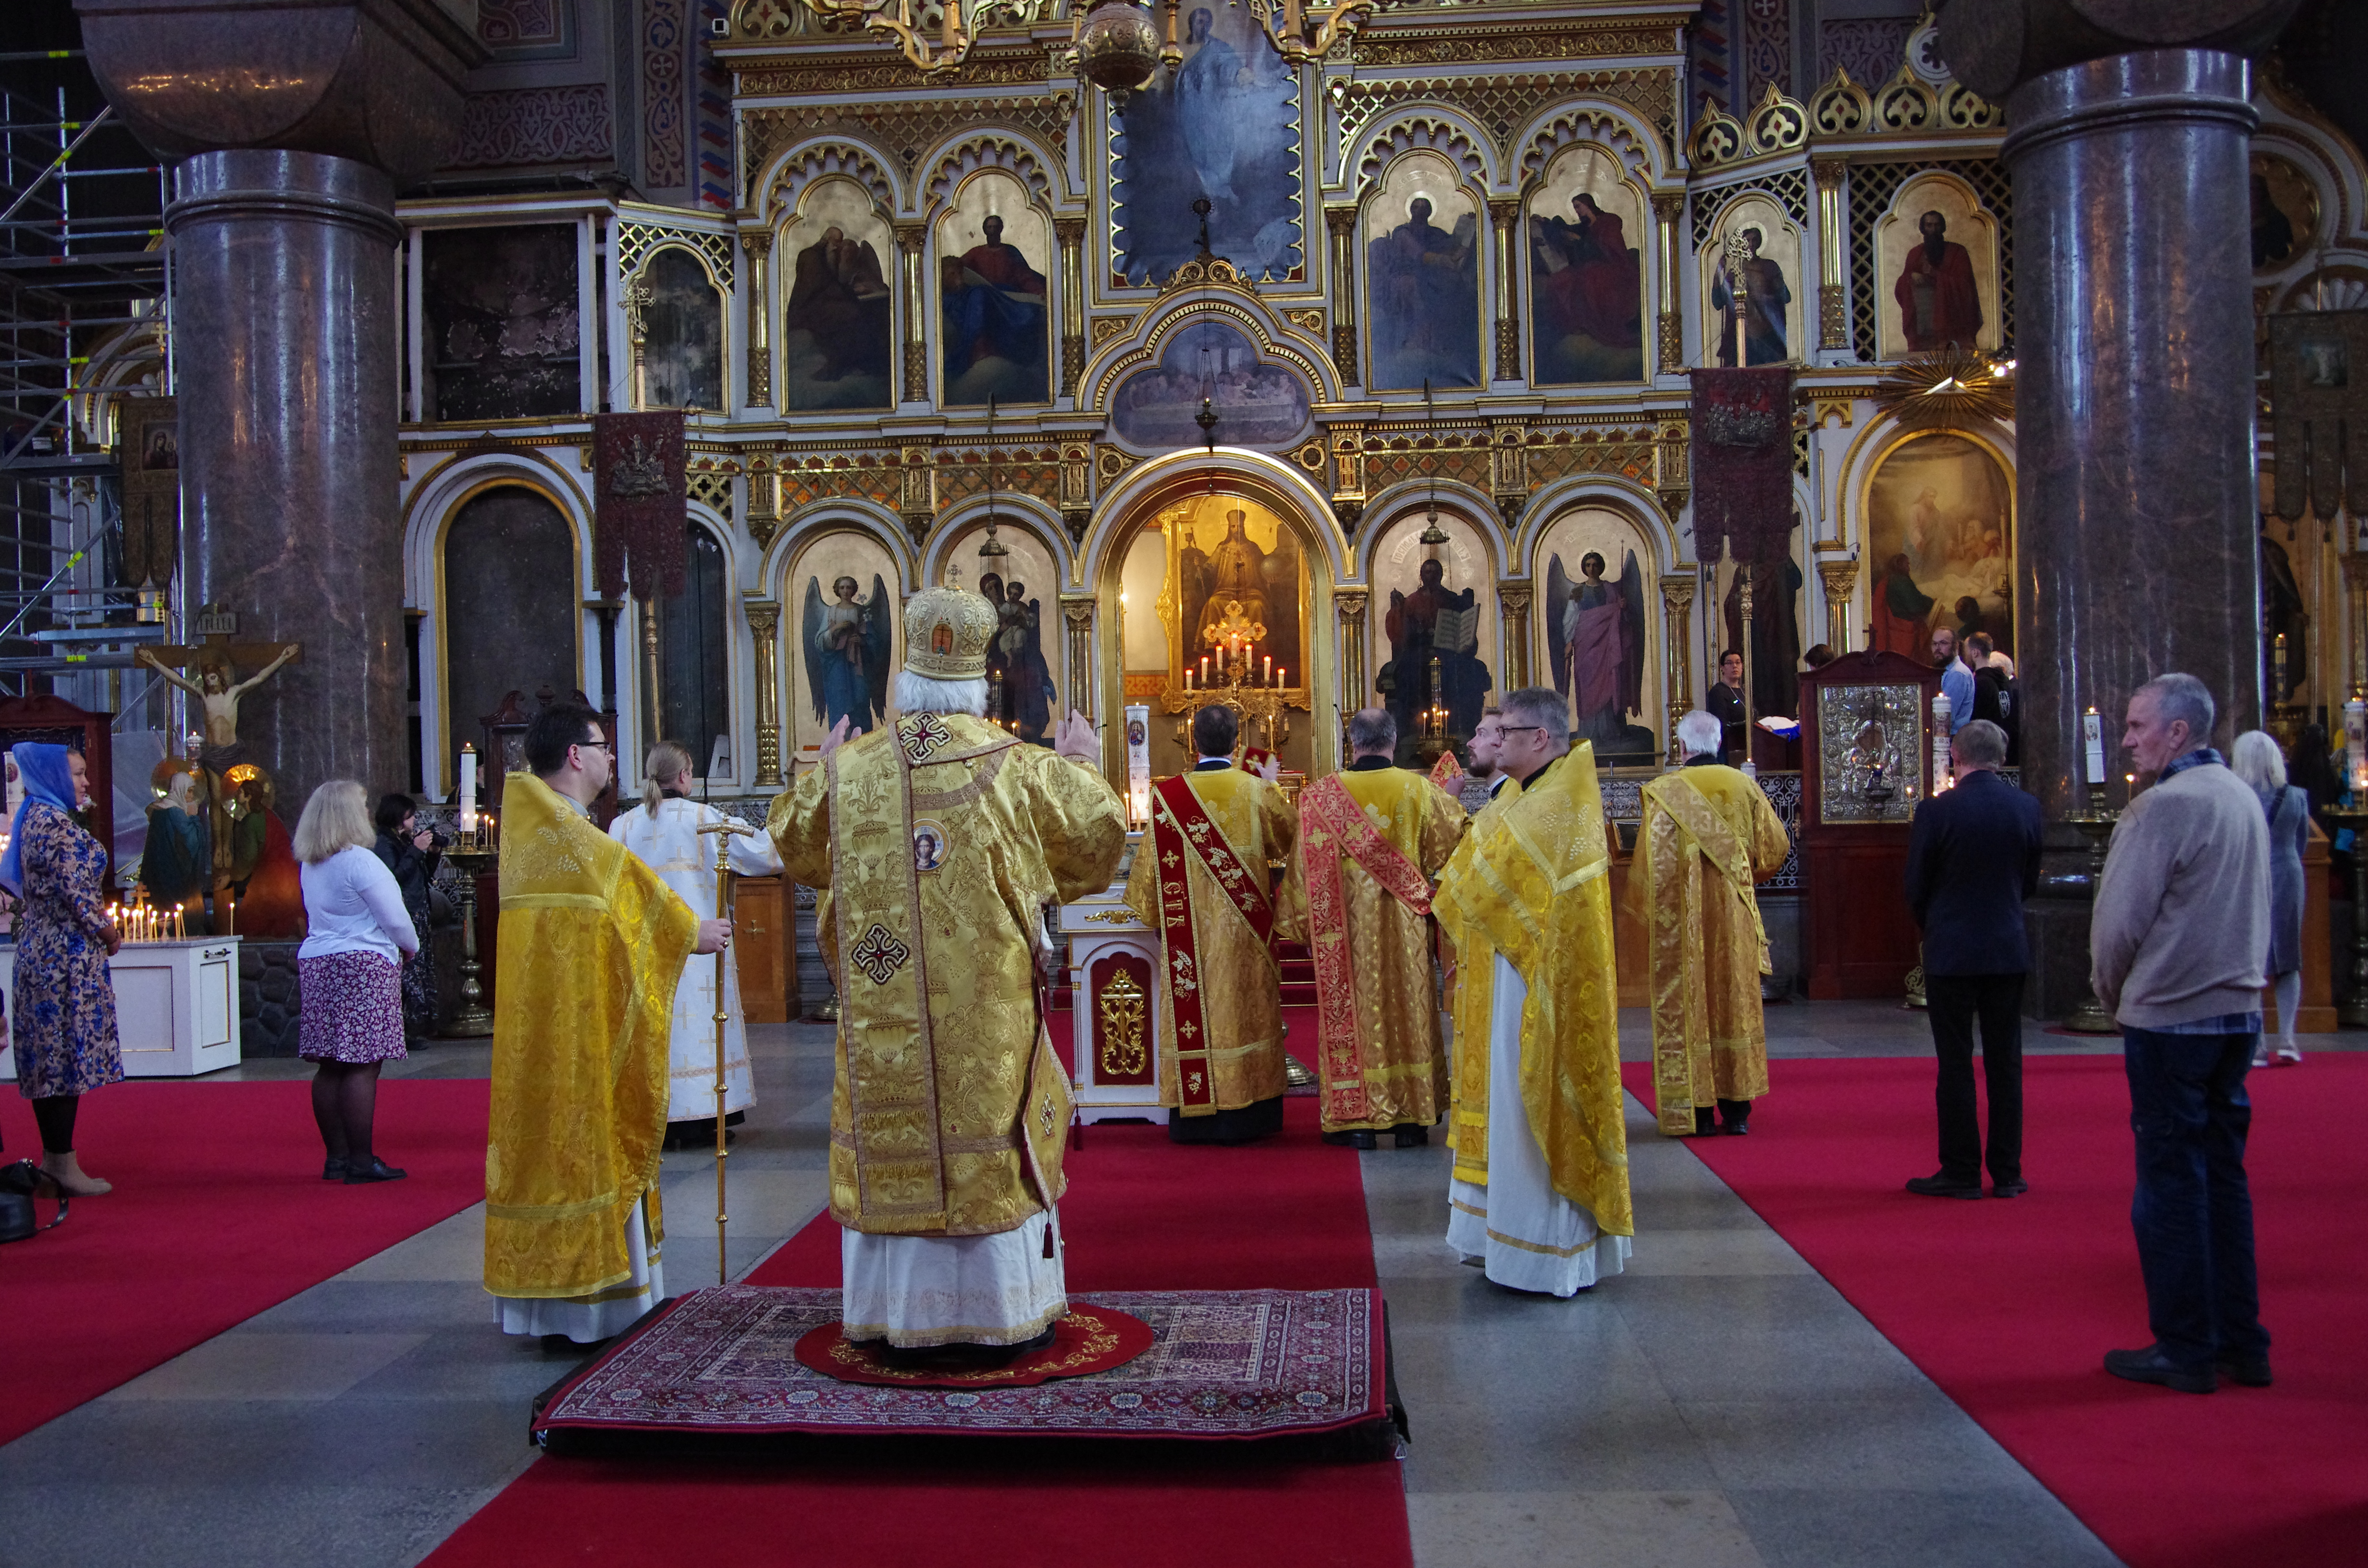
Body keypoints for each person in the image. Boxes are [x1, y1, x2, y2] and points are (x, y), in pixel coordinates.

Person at [769, 581, 1124, 1359]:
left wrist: (821, 774)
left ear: (904, 682)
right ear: (976, 682)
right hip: (983, 1012)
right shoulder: (1020, 768)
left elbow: (793, 845)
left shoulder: (851, 770)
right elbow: (1100, 836)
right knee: (987, 1135)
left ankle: (895, 1313)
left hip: (879, 1010)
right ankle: (997, 1312)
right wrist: (1082, 764)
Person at [484, 703, 730, 1345]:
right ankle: (596, 1304)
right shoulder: (571, 837)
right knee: (590, 1143)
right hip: (576, 1041)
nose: (611, 758)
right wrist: (690, 932)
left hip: (543, 1039)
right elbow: (639, 907)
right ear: (574, 755)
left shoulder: (536, 828)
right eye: (602, 746)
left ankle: (548, 1307)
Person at [2091, 674, 2272, 1394]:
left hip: (2172, 1017)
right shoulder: (2241, 799)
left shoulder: (2160, 809)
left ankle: (2185, 1347)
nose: (2127, 738)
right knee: (2225, 1179)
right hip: (2238, 1013)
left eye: (2138, 726)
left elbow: (2117, 930)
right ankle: (2241, 1341)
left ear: (2178, 732)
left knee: (2169, 1184)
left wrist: (2115, 999)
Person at [1433, 687, 1630, 1295]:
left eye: (1508, 731)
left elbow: (1474, 880)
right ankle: (1499, 1236)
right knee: (1504, 1108)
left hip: (1535, 985)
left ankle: (1543, 1252)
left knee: (1529, 1107)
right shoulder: (1530, 794)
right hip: (1509, 971)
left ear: (1539, 739)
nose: (1497, 738)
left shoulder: (1555, 804)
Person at [1123, 703, 1304, 1144]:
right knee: (1248, 1015)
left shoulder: (1167, 798)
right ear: (1237, 742)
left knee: (1200, 1016)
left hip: (1192, 946)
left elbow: (1145, 890)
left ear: (1192, 742)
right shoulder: (1256, 791)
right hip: (1248, 938)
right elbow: (1295, 838)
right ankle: (1254, 1111)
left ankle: (1196, 1115)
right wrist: (1269, 786)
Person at [1285, 708, 1465, 1150]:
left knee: (1357, 1017)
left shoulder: (1319, 797)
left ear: (1352, 742)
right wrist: (1453, 800)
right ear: (1394, 738)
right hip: (1405, 932)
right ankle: (1411, 1119)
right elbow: (1455, 854)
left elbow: (1301, 876)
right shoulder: (1420, 791)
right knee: (1409, 1010)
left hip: (1341, 933)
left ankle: (1356, 1123)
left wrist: (1302, 924)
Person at [608, 740, 785, 1150]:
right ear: (685, 776)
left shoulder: (623, 826)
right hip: (701, 951)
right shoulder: (705, 819)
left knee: (658, 1030)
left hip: (646, 951)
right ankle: (702, 1117)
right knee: (699, 1032)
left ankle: (657, 1118)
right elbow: (765, 855)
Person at [1901, 719, 2042, 1199]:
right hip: (2006, 946)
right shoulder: (2025, 807)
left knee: (1955, 1062)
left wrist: (1935, 925)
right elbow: (2029, 879)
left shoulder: (1936, 813)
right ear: (1999, 759)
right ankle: (2007, 1172)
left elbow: (1915, 886)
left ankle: (1960, 1169)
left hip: (1951, 949)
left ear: (1954, 759)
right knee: (2006, 1062)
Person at [1635, 709, 1792, 1137]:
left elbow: (1650, 868)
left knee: (1690, 1002)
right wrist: (1744, 880)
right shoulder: (1743, 784)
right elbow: (1775, 848)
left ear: (1682, 747)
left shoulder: (1665, 791)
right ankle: (1737, 1111)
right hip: (1734, 915)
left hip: (1681, 921)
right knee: (1734, 1001)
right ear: (1718, 744)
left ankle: (1698, 1112)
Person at [4, 743, 121, 1197]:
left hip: (41, 952)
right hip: (63, 961)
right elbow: (78, 898)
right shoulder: (54, 825)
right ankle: (63, 1165)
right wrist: (109, 933)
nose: (86, 782)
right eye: (76, 774)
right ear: (52, 777)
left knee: (51, 1062)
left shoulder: (33, 816)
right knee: (63, 1063)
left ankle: (56, 1160)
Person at [296, 781, 421, 1183]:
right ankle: (363, 1162)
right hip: (362, 963)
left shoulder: (312, 862)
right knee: (363, 1065)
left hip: (319, 961)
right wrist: (410, 947)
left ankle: (336, 1158)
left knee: (331, 1065)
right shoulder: (361, 862)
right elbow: (396, 918)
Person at [2230, 731, 2308, 1068]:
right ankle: (2288, 1039)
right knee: (2288, 957)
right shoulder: (2298, 797)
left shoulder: (2236, 798)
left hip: (2248, 876)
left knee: (2252, 958)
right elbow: (2302, 842)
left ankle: (2258, 1043)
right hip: (2288, 874)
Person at [372, 792, 441, 1046]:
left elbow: (420, 877)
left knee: (421, 969)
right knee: (409, 972)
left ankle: (423, 1025)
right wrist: (415, 851)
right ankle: (407, 1031)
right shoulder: (384, 844)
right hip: (405, 914)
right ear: (399, 818)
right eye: (410, 817)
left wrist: (431, 853)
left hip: (418, 911)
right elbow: (393, 879)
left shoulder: (402, 841)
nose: (414, 822)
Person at [1893, 208, 1984, 351]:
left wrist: (1935, 275)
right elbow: (1901, 289)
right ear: (1923, 229)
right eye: (1929, 225)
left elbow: (1965, 287)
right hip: (1924, 330)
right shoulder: (1915, 254)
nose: (1933, 229)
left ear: (1943, 227)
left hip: (1954, 326)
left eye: (1937, 225)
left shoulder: (1957, 252)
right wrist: (1910, 278)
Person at [1710, 226, 1791, 367]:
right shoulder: (1735, 272)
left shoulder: (1769, 267)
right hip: (1742, 336)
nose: (1751, 244)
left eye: (1755, 240)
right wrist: (1718, 273)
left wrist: (1763, 297)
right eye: (1747, 240)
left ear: (1760, 242)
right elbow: (1718, 302)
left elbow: (1785, 297)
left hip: (1767, 335)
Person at [1457, 707, 1510, 813]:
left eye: (1482, 735)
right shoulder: (1501, 795)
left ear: (1501, 742)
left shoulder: (1511, 800)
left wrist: (1451, 800)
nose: (1470, 743)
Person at [1706, 649, 1747, 762]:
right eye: (1730, 663)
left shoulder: (1744, 692)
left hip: (1746, 747)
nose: (1735, 666)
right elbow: (1721, 725)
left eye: (1738, 663)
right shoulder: (1718, 692)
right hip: (1728, 749)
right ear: (1722, 667)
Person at [1932, 626, 1973, 735]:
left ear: (1956, 646)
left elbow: (1945, 717)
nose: (1937, 649)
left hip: (1953, 738)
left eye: (1943, 643)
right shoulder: (1946, 670)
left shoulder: (1957, 673)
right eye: (1935, 644)